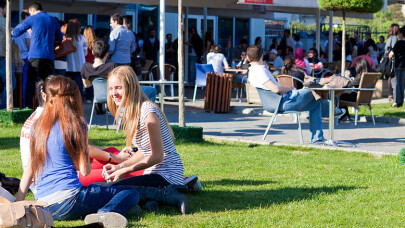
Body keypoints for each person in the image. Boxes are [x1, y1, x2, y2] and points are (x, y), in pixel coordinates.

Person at [16, 76, 139, 227]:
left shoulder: (37, 127)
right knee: (130, 193)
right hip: (69, 200)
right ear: (74, 98)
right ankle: (104, 212)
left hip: (44, 205)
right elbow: (84, 170)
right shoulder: (77, 123)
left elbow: (30, 169)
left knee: (108, 195)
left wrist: (18, 204)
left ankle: (116, 210)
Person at [247, 45, 324, 143]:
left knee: (315, 104)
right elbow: (275, 89)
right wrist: (290, 88)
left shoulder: (253, 71)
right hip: (283, 102)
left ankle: (317, 139)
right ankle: (334, 110)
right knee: (314, 89)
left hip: (280, 101)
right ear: (262, 56)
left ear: (248, 58)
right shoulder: (259, 71)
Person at [12, 1, 63, 108]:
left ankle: (30, 109)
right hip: (49, 57)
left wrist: (11, 32)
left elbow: (17, 32)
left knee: (30, 84)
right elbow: (60, 38)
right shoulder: (53, 20)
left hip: (35, 56)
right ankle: (50, 108)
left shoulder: (32, 18)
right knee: (49, 84)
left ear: (32, 10)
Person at [81, 40, 157, 106]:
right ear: (106, 55)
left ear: (93, 52)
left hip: (99, 97)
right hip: (117, 96)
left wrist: (97, 81)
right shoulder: (112, 66)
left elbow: (87, 85)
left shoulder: (86, 67)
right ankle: (148, 114)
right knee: (152, 91)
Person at [65, 19, 87, 99]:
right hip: (79, 67)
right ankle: (79, 104)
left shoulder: (65, 38)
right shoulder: (82, 38)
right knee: (79, 89)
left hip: (67, 67)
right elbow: (85, 52)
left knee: (67, 89)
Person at [389, 26, 405, 108]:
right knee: (401, 83)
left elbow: (391, 54)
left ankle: (396, 101)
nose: (398, 34)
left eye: (399, 33)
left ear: (402, 34)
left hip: (397, 65)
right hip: (404, 66)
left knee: (395, 83)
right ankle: (401, 100)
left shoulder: (398, 43)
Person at [386, 24, 399, 101]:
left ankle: (390, 94)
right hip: (392, 59)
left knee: (390, 76)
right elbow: (394, 48)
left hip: (388, 58)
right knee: (392, 76)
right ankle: (392, 94)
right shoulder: (394, 38)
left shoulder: (389, 37)